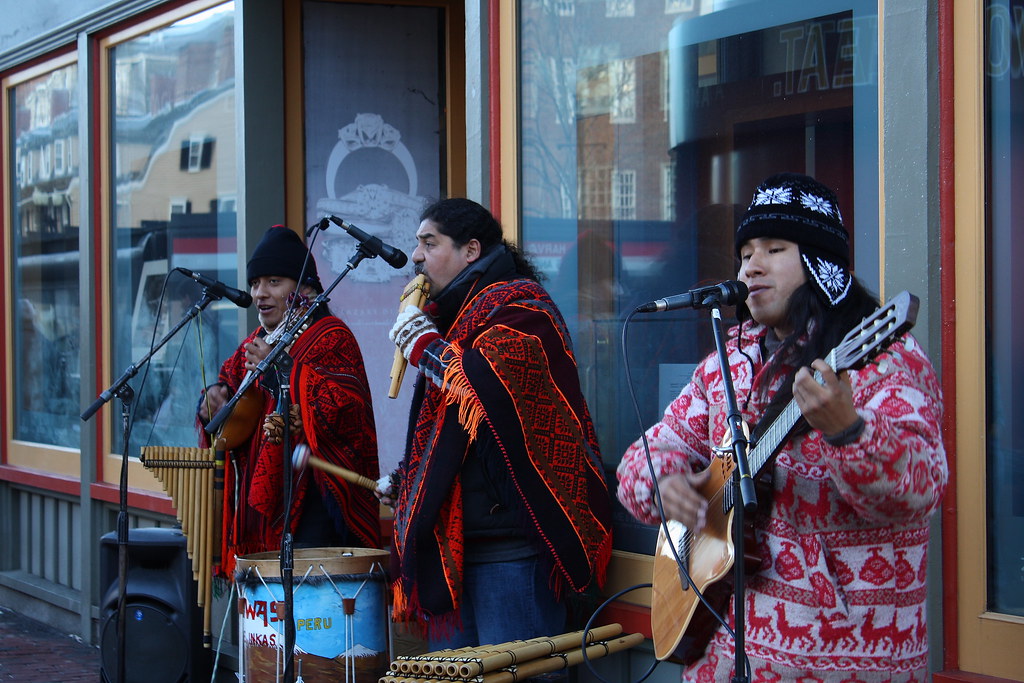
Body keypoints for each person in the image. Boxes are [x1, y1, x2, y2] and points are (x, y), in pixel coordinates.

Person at [616, 173, 948, 682]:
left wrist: (849, 433)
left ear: (821, 264)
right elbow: (651, 449)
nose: (752, 265)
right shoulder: (729, 362)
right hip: (725, 653)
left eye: (775, 248)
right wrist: (664, 484)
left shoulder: (885, 362)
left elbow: (921, 487)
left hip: (849, 661)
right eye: (746, 251)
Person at [384, 197, 614, 651]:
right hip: (459, 546)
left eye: (429, 243)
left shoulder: (523, 307)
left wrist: (426, 349)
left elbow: (494, 392)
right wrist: (406, 480)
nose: (416, 257)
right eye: (417, 245)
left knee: (521, 676)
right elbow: (454, 431)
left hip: (514, 548)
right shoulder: (453, 317)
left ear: (471, 250)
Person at [197, 225, 381, 576]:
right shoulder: (256, 340)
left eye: (274, 282)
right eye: (255, 284)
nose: (260, 294)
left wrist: (278, 366)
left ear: (305, 287)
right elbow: (229, 385)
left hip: (317, 504)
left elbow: (343, 411)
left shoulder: (332, 336)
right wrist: (211, 398)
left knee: (309, 610)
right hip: (264, 508)